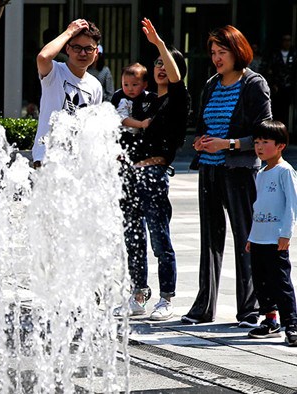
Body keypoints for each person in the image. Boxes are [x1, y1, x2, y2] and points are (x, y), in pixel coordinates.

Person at [183, 25, 272, 327]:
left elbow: (264, 133)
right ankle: (203, 307)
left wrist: (229, 144)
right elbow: (204, 124)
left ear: (237, 52)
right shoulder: (211, 84)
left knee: (245, 238)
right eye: (213, 53)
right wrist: (202, 140)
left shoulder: (253, 84)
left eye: (222, 52)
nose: (217, 58)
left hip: (240, 172)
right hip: (209, 169)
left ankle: (249, 309)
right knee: (210, 240)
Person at [115, 18, 189, 321]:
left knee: (160, 239)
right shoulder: (142, 99)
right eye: (156, 62)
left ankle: (166, 298)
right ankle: (138, 294)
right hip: (130, 174)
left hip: (155, 174)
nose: (161, 67)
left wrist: (159, 42)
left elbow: (174, 79)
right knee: (133, 237)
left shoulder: (177, 100)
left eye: (166, 63)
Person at [245, 120, 297, 346]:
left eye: (265, 142)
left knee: (280, 283)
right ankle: (270, 320)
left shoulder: (285, 172)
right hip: (258, 238)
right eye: (257, 142)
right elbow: (259, 207)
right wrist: (251, 236)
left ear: (280, 146)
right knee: (261, 282)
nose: (259, 146)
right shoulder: (261, 172)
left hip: (276, 240)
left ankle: (292, 324)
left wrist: (286, 233)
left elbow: (292, 205)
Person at [31, 19, 103, 168]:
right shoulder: (55, 72)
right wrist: (69, 32)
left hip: (77, 165)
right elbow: (43, 57)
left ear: (96, 52)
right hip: (47, 158)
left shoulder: (95, 85)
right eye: (77, 47)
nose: (83, 53)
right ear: (67, 49)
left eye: (89, 49)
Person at [111, 62, 157, 133]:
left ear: (145, 84)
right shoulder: (119, 96)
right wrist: (141, 124)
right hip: (122, 135)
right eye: (126, 84)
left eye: (134, 85)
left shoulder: (150, 97)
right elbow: (122, 118)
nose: (130, 89)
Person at [267, 34, 296, 126]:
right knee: (276, 109)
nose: (287, 42)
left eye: (289, 40)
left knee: (287, 110)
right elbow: (270, 70)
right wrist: (273, 84)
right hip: (277, 87)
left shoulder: (294, 54)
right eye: (285, 40)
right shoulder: (275, 54)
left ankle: (287, 130)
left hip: (289, 87)